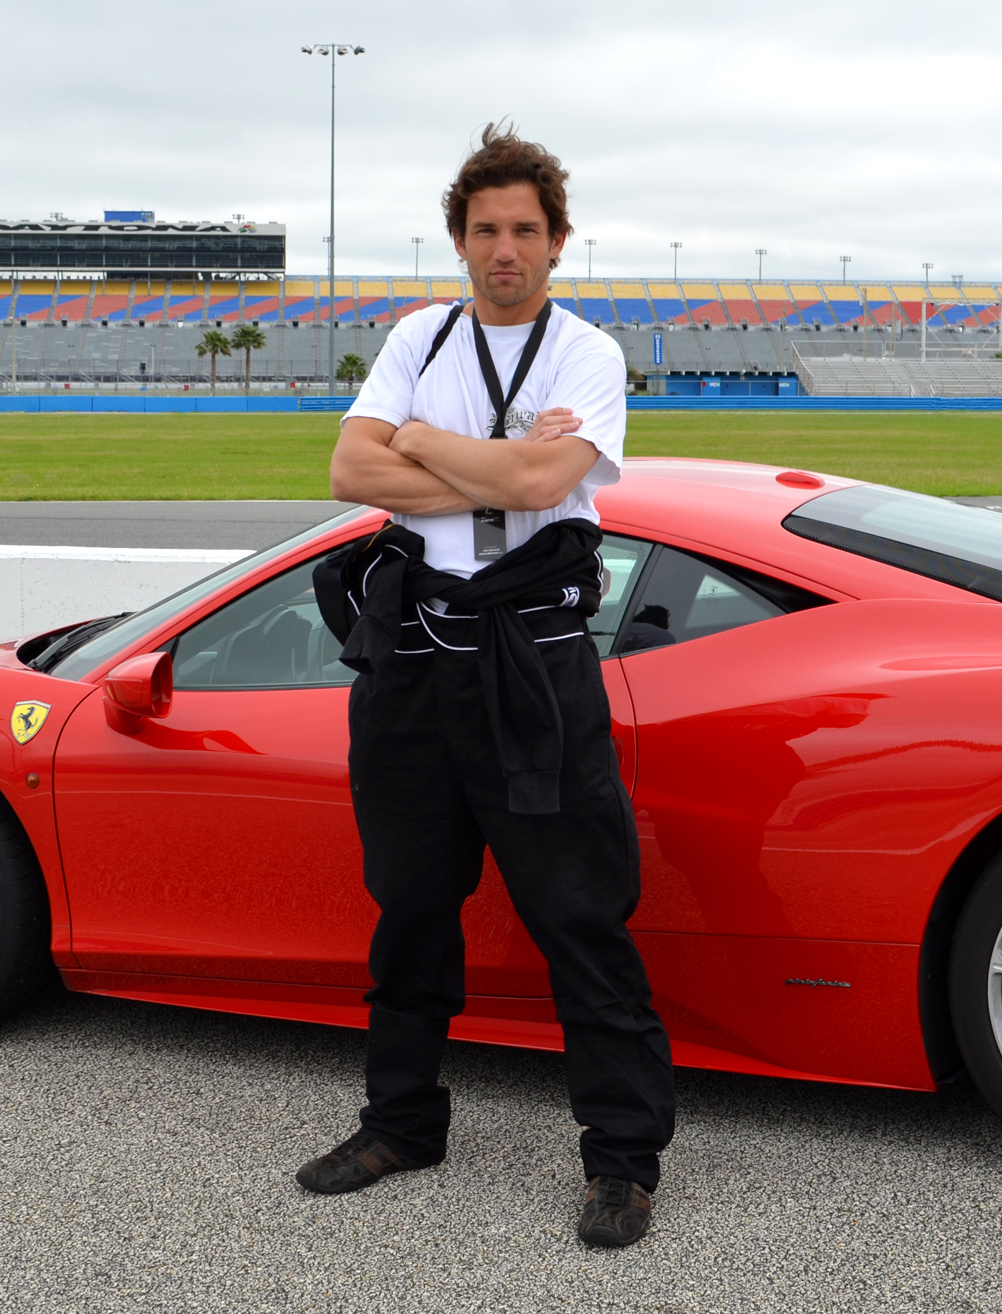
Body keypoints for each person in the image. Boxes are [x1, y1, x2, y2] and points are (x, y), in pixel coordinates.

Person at [297, 124, 675, 1249]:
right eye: (482, 231)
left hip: (534, 667)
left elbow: (539, 478)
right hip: (412, 667)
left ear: (557, 244)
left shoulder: (585, 355)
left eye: (523, 231)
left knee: (579, 917)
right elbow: (347, 469)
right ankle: (400, 1123)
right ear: (458, 241)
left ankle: (622, 1162)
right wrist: (479, 458)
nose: (501, 249)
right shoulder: (420, 333)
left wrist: (422, 442)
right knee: (408, 909)